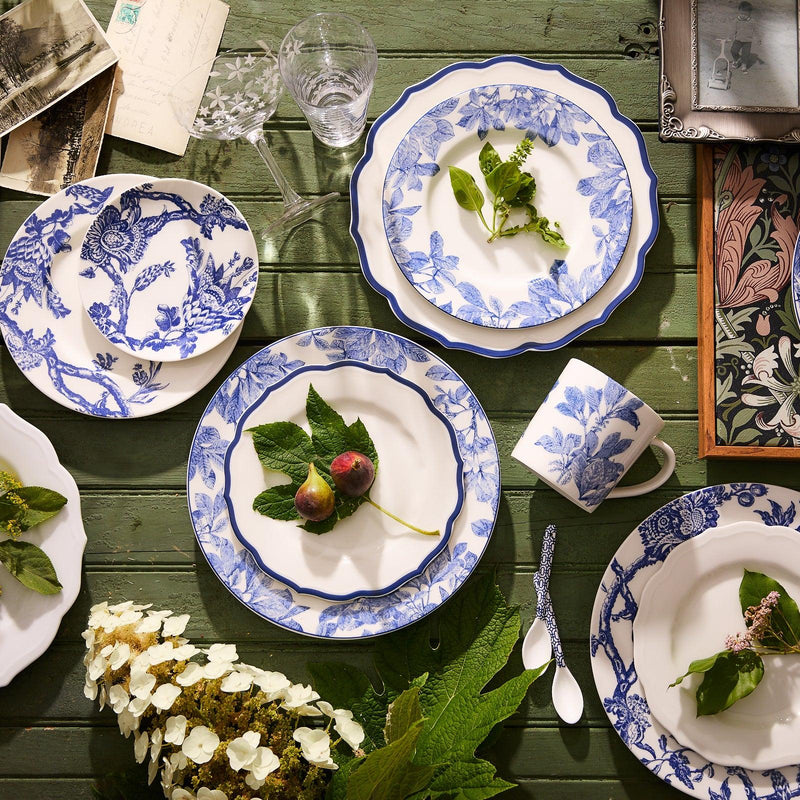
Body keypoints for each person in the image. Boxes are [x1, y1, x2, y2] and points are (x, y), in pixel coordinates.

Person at [731, 1, 764, 73]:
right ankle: (737, 59)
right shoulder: (736, 20)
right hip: (738, 40)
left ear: (750, 13)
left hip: (747, 41)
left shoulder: (752, 21)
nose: (743, 15)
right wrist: (730, 37)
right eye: (741, 13)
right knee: (733, 51)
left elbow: (756, 31)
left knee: (745, 54)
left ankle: (744, 65)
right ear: (739, 11)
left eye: (745, 14)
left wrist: (758, 39)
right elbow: (733, 29)